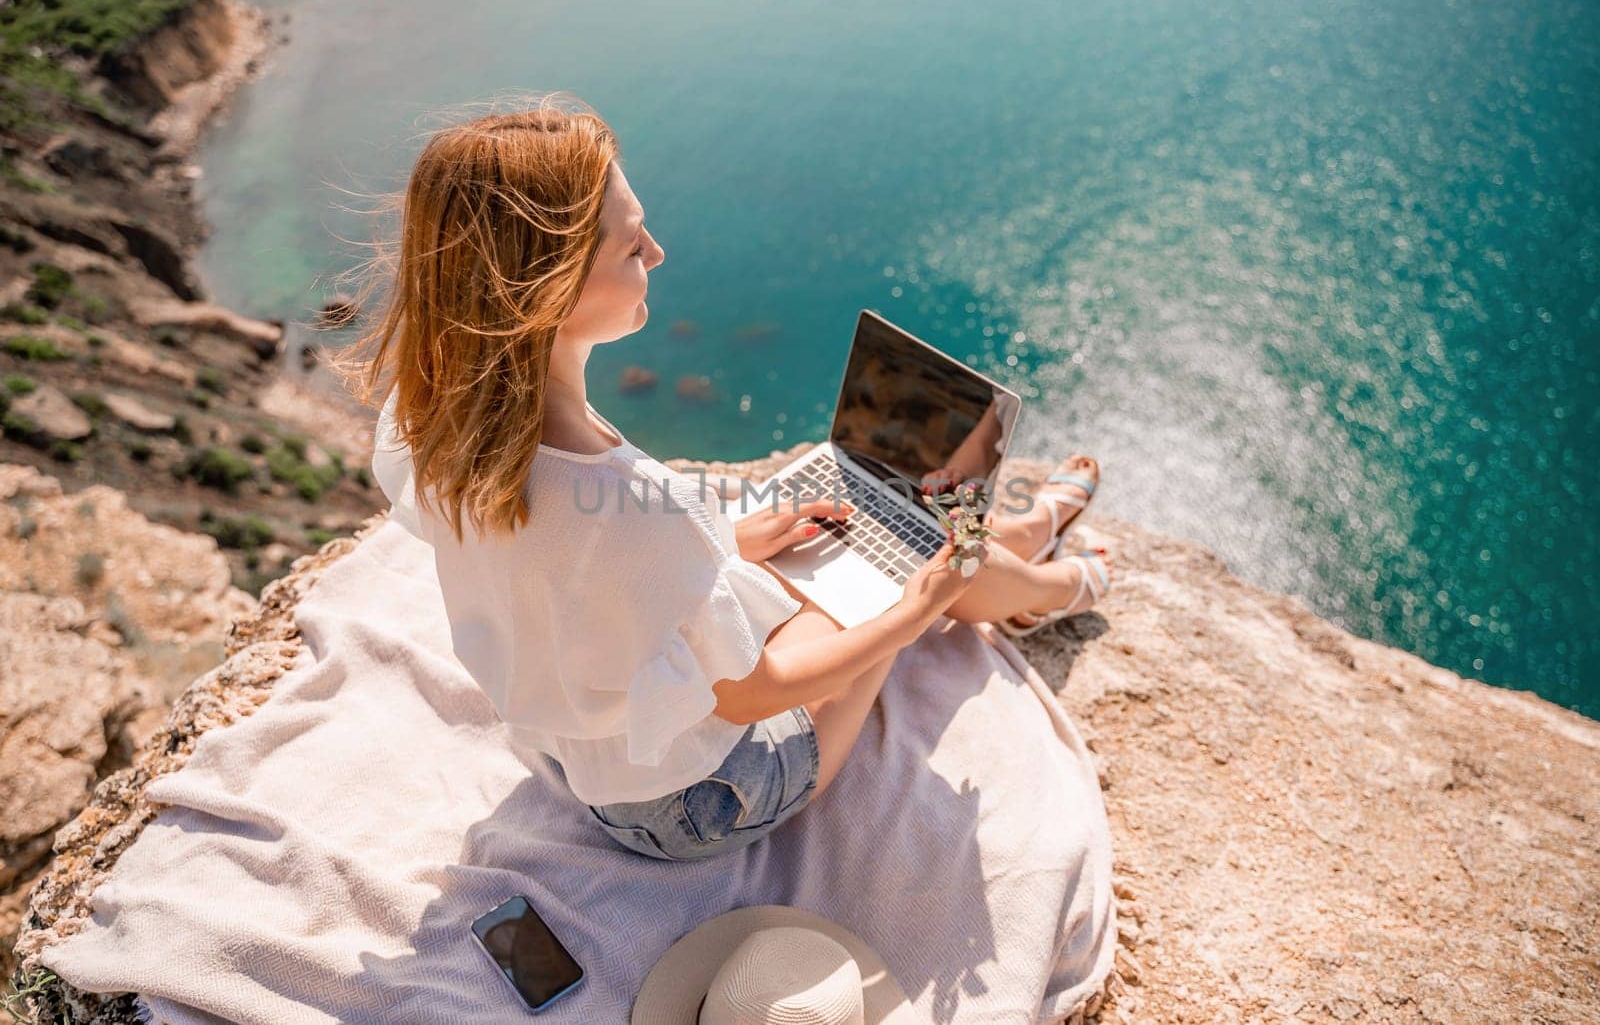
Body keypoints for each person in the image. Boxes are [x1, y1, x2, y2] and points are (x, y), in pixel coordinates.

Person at [338, 93, 1113, 863]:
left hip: (594, 760)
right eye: (632, 245)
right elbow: (750, 692)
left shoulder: (435, 422)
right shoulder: (630, 507)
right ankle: (1045, 586)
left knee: (859, 536)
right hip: (705, 799)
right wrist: (912, 616)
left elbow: (569, 572)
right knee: (901, 565)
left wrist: (722, 543)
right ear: (549, 292)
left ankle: (1017, 539)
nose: (658, 255)